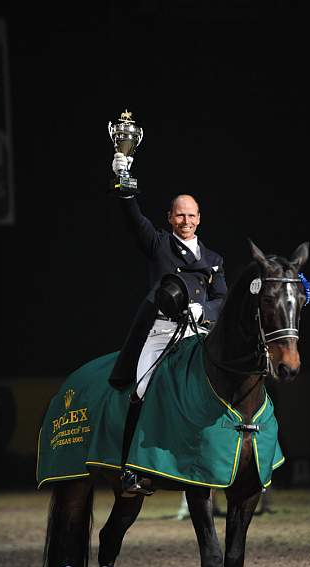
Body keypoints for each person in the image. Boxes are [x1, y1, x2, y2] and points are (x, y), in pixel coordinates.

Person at [109, 152, 228, 494]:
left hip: (199, 333)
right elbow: (133, 218)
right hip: (162, 331)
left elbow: (223, 299)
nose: (186, 220)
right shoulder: (158, 244)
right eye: (180, 214)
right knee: (142, 389)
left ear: (200, 218)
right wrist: (124, 180)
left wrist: (203, 311)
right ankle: (129, 470)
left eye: (191, 215)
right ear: (170, 217)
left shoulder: (214, 259)